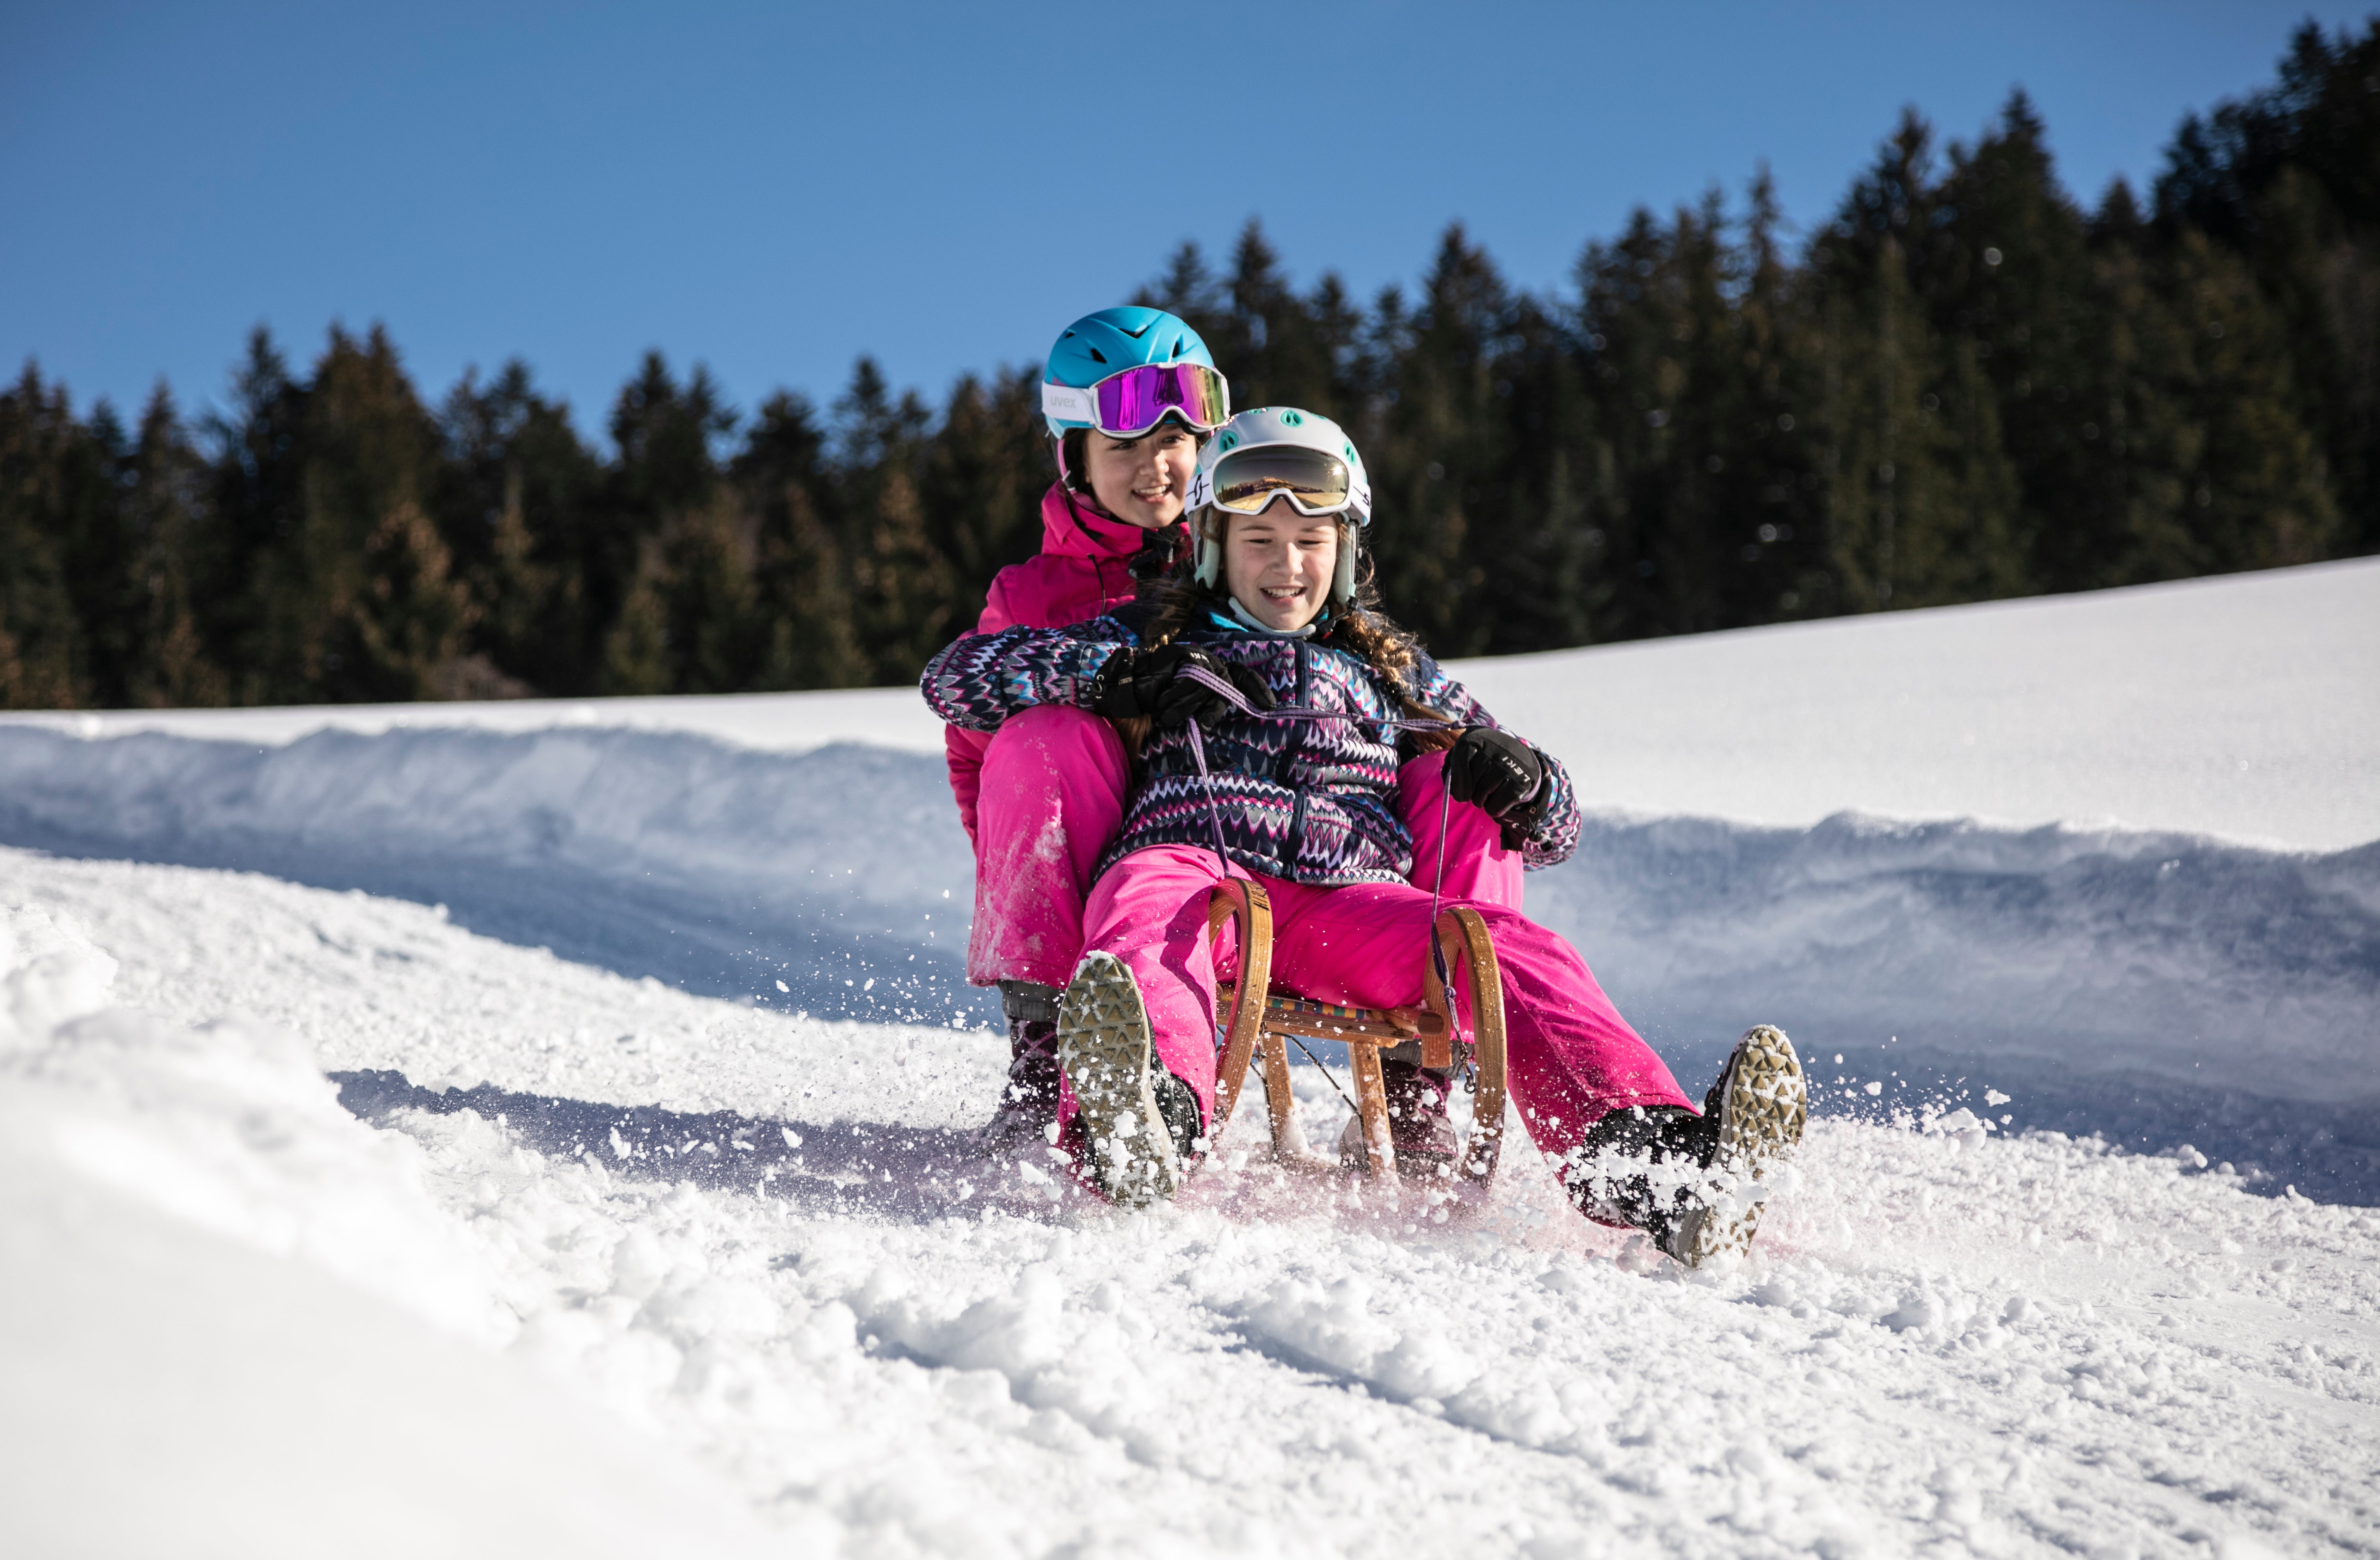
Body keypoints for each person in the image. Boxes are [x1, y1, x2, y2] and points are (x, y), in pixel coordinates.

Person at [923, 407, 1806, 1267]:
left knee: (1509, 947)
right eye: (1258, 543)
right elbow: (956, 679)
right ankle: (1145, 1123)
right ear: (1212, 550)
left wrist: (1533, 783)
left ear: (1344, 558)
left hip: (1356, 898)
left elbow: (1555, 832)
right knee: (1143, 914)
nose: (1285, 566)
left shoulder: (1387, 669)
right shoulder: (1160, 636)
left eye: (1310, 544)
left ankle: (1659, 1165)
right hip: (1203, 868)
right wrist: (1124, 672)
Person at [952, 313, 1517, 1170]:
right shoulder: (1036, 592)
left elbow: (1366, 685)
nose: (1157, 468)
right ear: (1073, 455)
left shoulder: (1254, 543)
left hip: (1280, 846)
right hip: (1117, 848)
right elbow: (973, 739)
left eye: (1178, 439)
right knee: (1043, 737)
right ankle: (1055, 1061)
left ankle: (1425, 1077)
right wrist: (1032, 864)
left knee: (1465, 774)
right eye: (1124, 445)